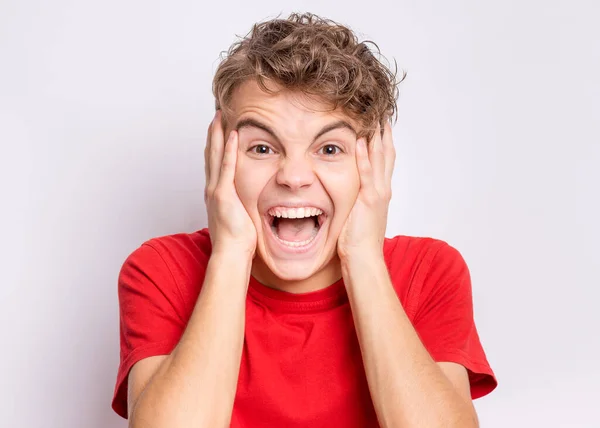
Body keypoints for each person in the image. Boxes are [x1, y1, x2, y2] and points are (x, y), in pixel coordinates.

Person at [112, 12, 497, 428]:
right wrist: (230, 255)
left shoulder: (430, 272)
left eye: (329, 149)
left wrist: (362, 257)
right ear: (220, 156)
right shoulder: (160, 270)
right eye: (262, 148)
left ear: (375, 164)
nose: (293, 177)